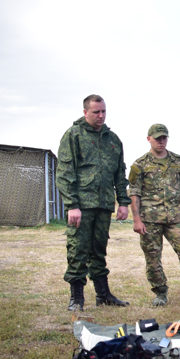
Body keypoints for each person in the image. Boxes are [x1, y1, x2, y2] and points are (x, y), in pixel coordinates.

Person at [56, 94, 131, 312]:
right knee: (77, 249)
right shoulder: (73, 135)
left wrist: (123, 202)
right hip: (81, 205)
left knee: (99, 250)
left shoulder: (113, 139)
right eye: (96, 112)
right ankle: (77, 298)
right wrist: (72, 204)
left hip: (104, 204)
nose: (100, 115)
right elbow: (65, 172)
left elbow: (120, 173)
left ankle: (103, 295)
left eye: (103, 111)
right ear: (85, 112)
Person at [128, 124, 180, 306]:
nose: (161, 141)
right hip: (149, 220)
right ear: (148, 139)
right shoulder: (140, 164)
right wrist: (136, 219)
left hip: (175, 218)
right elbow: (134, 192)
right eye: (157, 138)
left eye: (164, 138)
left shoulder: (178, 161)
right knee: (152, 257)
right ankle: (160, 292)